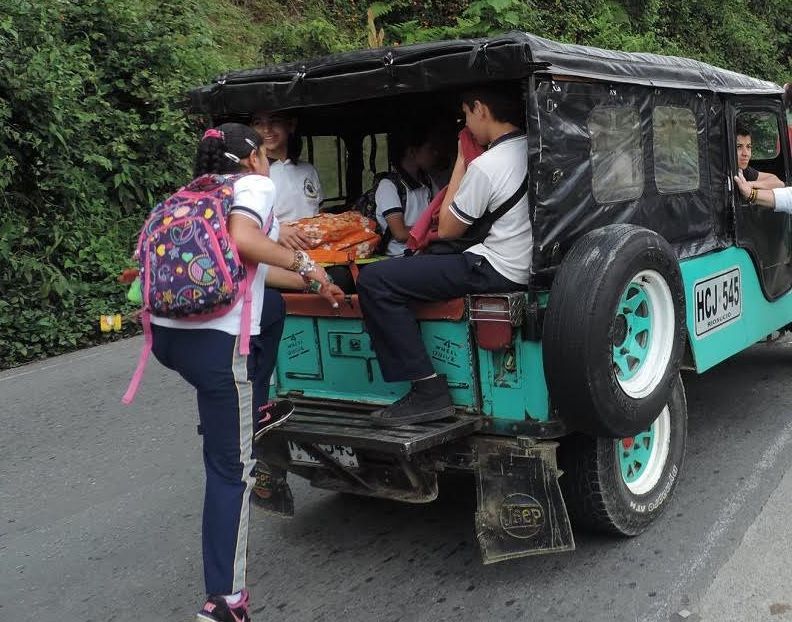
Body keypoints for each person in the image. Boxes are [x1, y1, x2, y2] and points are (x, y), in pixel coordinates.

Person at [149, 122, 337, 622]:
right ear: (252, 157)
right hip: (217, 345)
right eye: (264, 152)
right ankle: (225, 602)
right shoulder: (253, 185)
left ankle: (251, 409)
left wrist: (307, 278)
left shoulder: (191, 193)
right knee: (230, 472)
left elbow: (253, 266)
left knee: (272, 309)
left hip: (170, 336)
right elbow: (245, 239)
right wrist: (307, 260)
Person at [356, 85, 530, 425]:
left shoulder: (488, 165)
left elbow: (449, 228)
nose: (467, 122)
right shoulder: (534, 148)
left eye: (466, 114)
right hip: (521, 263)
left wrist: (463, 161)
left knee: (376, 280)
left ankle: (427, 392)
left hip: (494, 267)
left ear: (480, 109)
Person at [252, 110, 323, 250]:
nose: (266, 129)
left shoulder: (308, 170)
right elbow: (242, 225)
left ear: (291, 125)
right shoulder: (250, 175)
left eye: (274, 121)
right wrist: (275, 231)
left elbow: (319, 212)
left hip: (315, 250)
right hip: (274, 254)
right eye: (258, 123)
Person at [375, 124, 438, 257]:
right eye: (430, 149)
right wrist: (437, 232)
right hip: (399, 258)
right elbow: (400, 233)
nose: (435, 153)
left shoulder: (426, 181)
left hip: (424, 251)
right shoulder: (389, 186)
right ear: (412, 152)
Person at [736, 122, 784, 190]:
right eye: (739, 147)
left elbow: (779, 183)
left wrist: (750, 184)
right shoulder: (722, 173)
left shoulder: (743, 170)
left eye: (748, 147)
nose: (745, 153)